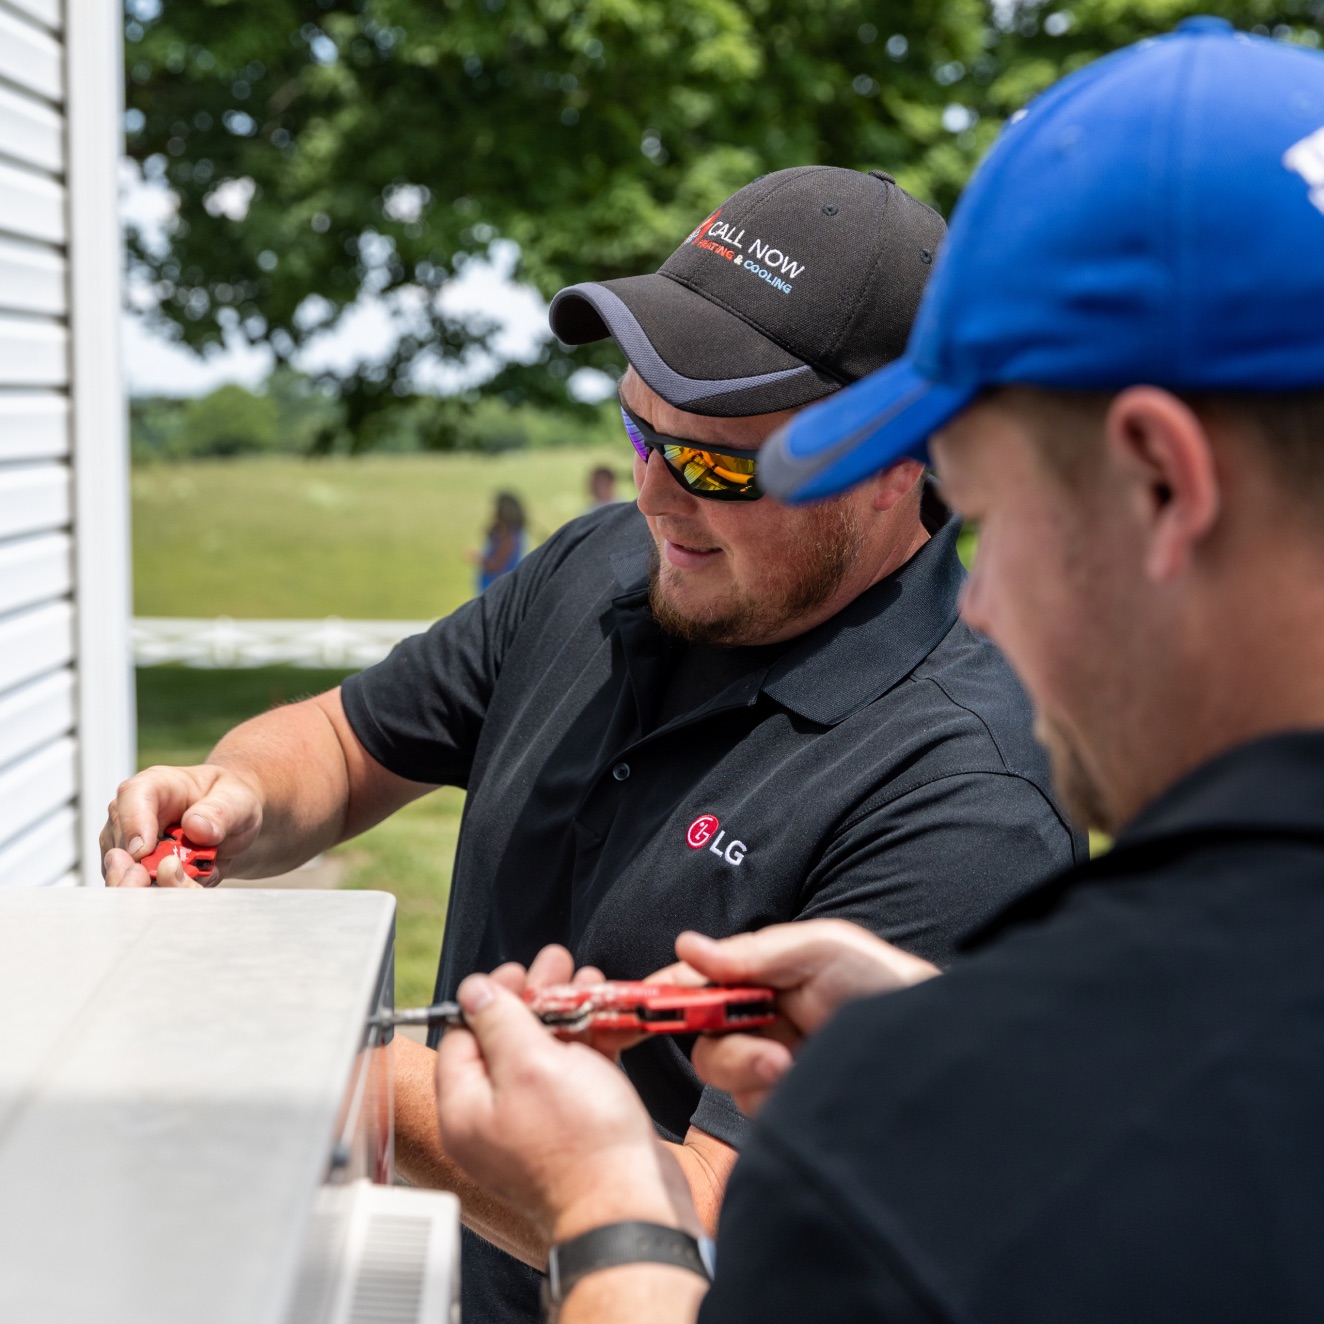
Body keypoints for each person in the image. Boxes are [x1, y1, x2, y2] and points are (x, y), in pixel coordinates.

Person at [428, 22, 1324, 1323]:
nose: (985, 607)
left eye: (996, 520)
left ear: (1161, 485)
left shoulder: (991, 1129)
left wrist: (600, 1199)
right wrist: (977, 1052)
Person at [101, 167, 1082, 1323]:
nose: (657, 498)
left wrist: (306, 1063)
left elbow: (722, 1223)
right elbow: (343, 738)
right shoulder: (597, 564)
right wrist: (235, 794)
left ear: (894, 460)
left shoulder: (970, 798)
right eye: (638, 430)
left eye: (716, 464)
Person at [475, 491, 527, 591]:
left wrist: (478, 558)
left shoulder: (509, 536)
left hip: (496, 587)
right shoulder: (515, 532)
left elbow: (496, 565)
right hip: (499, 586)